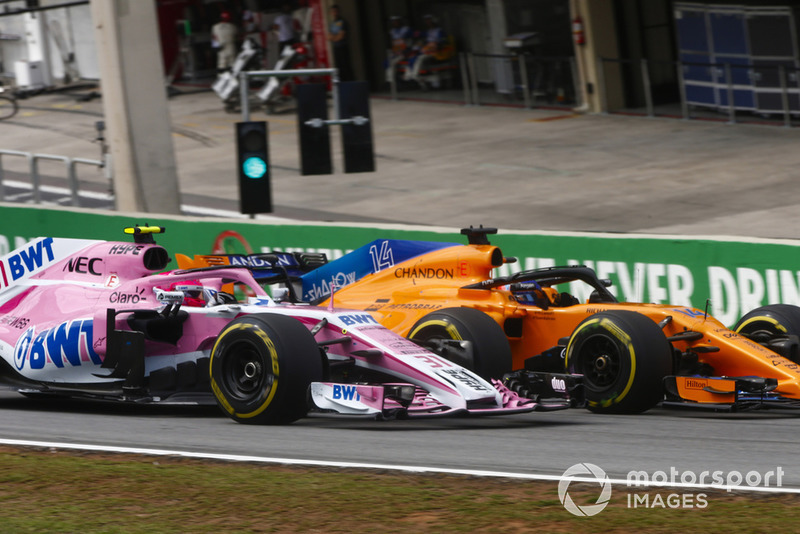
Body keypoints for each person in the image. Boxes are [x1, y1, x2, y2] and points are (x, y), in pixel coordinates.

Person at [405, 14, 453, 89]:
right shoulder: (427, 32)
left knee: (420, 58)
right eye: (426, 20)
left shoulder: (439, 31)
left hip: (435, 52)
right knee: (412, 57)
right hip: (426, 50)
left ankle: (414, 75)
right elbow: (417, 35)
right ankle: (409, 75)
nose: (427, 22)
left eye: (429, 20)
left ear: (434, 21)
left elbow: (444, 42)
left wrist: (437, 45)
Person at [328, 4, 354, 81]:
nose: (334, 13)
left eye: (336, 11)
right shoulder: (332, 24)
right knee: (338, 68)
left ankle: (349, 82)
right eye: (333, 11)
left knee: (345, 66)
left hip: (343, 47)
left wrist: (335, 37)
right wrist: (336, 37)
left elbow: (341, 36)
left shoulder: (343, 22)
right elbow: (329, 36)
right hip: (336, 48)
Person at [385, 15, 414, 83]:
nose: (395, 23)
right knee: (388, 62)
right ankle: (390, 81)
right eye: (393, 21)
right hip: (396, 52)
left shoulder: (406, 29)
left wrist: (407, 49)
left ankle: (393, 80)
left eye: (396, 21)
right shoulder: (392, 31)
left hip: (406, 51)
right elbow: (392, 43)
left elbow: (410, 41)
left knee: (394, 61)